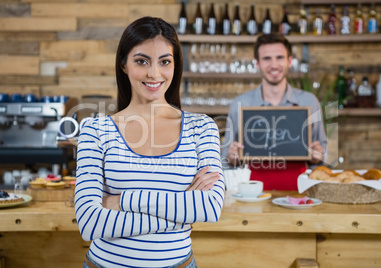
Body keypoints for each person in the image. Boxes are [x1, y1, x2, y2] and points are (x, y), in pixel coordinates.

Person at [75, 16, 225, 268]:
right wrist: (182, 209)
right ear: (124, 64)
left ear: (175, 65)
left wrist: (120, 201)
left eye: (164, 61)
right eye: (141, 61)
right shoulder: (96, 130)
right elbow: (90, 223)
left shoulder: (201, 127)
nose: (154, 73)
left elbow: (209, 208)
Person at [221, 33, 327, 191]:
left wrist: (318, 157)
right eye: (266, 59)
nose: (274, 64)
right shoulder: (240, 104)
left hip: (300, 193)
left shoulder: (309, 101)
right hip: (252, 194)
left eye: (279, 57)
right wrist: (232, 157)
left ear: (289, 61)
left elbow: (323, 149)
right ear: (257, 63)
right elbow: (225, 158)